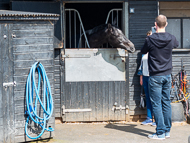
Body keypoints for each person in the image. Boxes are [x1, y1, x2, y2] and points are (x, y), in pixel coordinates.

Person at [141, 15, 179, 140]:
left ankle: (160, 133)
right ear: (166, 24)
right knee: (166, 102)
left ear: (155, 24)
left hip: (155, 76)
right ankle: (167, 131)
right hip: (167, 75)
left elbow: (143, 51)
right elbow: (176, 45)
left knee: (156, 104)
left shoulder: (150, 39)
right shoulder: (171, 38)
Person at [138, 30, 156, 126]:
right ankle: (149, 118)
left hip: (153, 76)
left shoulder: (155, 50)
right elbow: (141, 64)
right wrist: (141, 76)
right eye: (147, 37)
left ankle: (157, 119)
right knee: (148, 97)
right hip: (145, 76)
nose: (147, 39)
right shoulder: (144, 52)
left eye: (149, 36)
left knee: (155, 98)